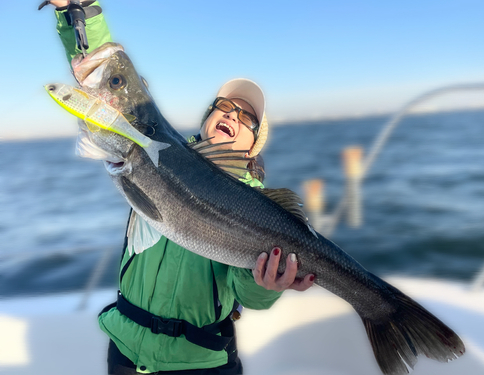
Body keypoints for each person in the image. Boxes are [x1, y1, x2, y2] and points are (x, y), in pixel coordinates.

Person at [45, 1, 315, 374]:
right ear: (207, 119)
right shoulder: (160, 150)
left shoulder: (256, 203)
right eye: (225, 107)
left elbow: (246, 294)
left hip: (200, 361)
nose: (233, 116)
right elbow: (115, 84)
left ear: (253, 145)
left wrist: (267, 284)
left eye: (247, 117)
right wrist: (78, 10)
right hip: (125, 347)